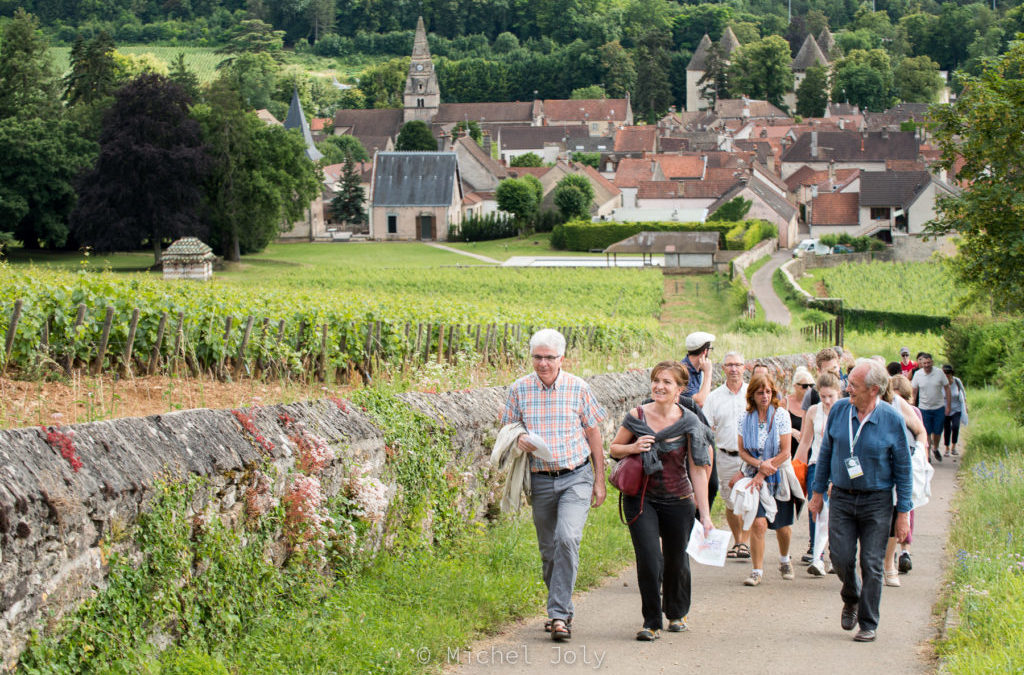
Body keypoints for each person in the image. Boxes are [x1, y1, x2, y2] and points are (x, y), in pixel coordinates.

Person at [500, 329, 607, 642]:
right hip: (541, 480)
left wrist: (599, 479)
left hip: (577, 475)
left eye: (549, 357)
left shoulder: (578, 388)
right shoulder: (519, 389)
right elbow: (507, 426)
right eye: (538, 357)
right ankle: (563, 608)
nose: (543, 363)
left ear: (562, 359)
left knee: (567, 537)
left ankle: (558, 615)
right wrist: (517, 437)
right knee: (549, 550)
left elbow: (594, 433)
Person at [809, 359, 913, 643]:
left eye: (853, 385)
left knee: (872, 563)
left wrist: (903, 511)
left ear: (874, 390)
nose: (847, 388)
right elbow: (826, 452)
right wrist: (817, 493)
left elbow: (904, 468)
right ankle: (851, 596)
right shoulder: (841, 410)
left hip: (877, 500)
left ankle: (868, 623)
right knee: (840, 559)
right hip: (841, 496)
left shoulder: (891, 419)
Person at [610, 361, 715, 641]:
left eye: (667, 382)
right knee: (648, 560)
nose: (659, 386)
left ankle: (677, 613)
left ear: (680, 389)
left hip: (678, 499)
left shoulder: (690, 422)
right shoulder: (637, 415)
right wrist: (633, 447)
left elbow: (698, 469)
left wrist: (704, 514)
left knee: (676, 560)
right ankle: (651, 622)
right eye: (656, 380)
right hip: (641, 499)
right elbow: (614, 448)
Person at [735, 373, 799, 587]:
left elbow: (786, 451)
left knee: (782, 527)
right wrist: (756, 466)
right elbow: (742, 450)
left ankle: (784, 558)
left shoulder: (781, 415)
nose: (764, 396)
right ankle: (756, 570)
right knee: (759, 524)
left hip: (778, 475)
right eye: (760, 392)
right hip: (754, 475)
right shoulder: (745, 417)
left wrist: (764, 471)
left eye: (768, 392)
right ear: (752, 395)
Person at [704, 351, 751, 560]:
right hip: (725, 455)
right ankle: (737, 538)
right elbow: (706, 429)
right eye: (729, 365)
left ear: (744, 367)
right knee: (730, 500)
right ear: (723, 368)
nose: (733, 369)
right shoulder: (714, 397)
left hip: (749, 458)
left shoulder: (752, 394)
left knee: (750, 499)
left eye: (737, 365)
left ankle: (745, 543)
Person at [793, 372, 842, 575]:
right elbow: (806, 441)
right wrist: (795, 466)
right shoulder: (813, 411)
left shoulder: (845, 410)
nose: (827, 401)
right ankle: (817, 556)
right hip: (817, 464)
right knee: (816, 507)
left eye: (831, 396)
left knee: (837, 512)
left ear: (838, 394)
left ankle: (836, 555)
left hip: (839, 466)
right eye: (823, 397)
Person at [885, 374, 928, 583]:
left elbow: (921, 433)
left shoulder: (901, 407)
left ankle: (903, 552)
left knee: (902, 512)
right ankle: (889, 557)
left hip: (901, 467)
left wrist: (921, 462)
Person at [911, 353, 951, 463]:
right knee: (926, 431)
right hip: (924, 407)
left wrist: (948, 406)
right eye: (924, 363)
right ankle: (927, 454)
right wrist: (913, 406)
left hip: (938, 407)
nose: (927, 365)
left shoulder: (939, 373)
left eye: (929, 363)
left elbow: (947, 388)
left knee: (938, 431)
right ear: (921, 363)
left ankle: (935, 448)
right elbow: (914, 391)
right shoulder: (918, 375)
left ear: (932, 362)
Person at [681, 331, 715, 407]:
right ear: (705, 351)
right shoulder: (682, 372)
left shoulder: (699, 369)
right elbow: (700, 402)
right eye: (711, 349)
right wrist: (708, 373)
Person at [942, 365, 966, 457]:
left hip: (957, 408)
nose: (947, 375)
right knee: (947, 429)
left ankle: (954, 446)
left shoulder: (957, 381)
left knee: (955, 427)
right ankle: (947, 448)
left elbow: (963, 393)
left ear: (952, 373)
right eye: (945, 373)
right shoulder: (941, 383)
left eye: (948, 373)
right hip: (945, 409)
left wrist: (965, 406)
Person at [787, 367, 814, 436]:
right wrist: (792, 432)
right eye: (804, 386)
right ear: (795, 385)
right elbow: (777, 426)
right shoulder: (786, 402)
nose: (809, 389)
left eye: (811, 385)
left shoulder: (814, 402)